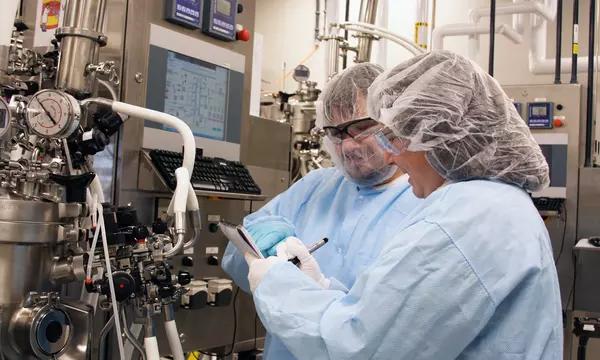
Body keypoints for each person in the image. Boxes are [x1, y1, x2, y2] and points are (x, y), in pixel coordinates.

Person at [244, 51, 563, 359]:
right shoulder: (498, 204)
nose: (392, 156)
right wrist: (322, 287)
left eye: (395, 139)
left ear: (439, 136)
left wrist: (277, 285)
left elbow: (359, 348)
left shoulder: (466, 217)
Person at [221, 63, 421, 359]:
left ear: (392, 121)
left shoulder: (423, 200)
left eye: (362, 128)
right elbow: (234, 258)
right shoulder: (316, 186)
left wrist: (320, 290)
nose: (348, 145)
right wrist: (257, 250)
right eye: (335, 132)